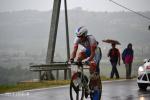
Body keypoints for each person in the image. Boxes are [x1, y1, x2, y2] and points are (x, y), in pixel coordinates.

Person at [69, 26, 102, 99]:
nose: (79, 38)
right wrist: (71, 58)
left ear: (85, 35)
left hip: (95, 51)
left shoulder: (91, 39)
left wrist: (88, 61)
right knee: (78, 58)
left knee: (92, 68)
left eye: (81, 36)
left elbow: (93, 54)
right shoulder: (77, 39)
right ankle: (82, 79)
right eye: (78, 36)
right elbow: (74, 51)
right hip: (87, 50)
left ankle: (95, 88)